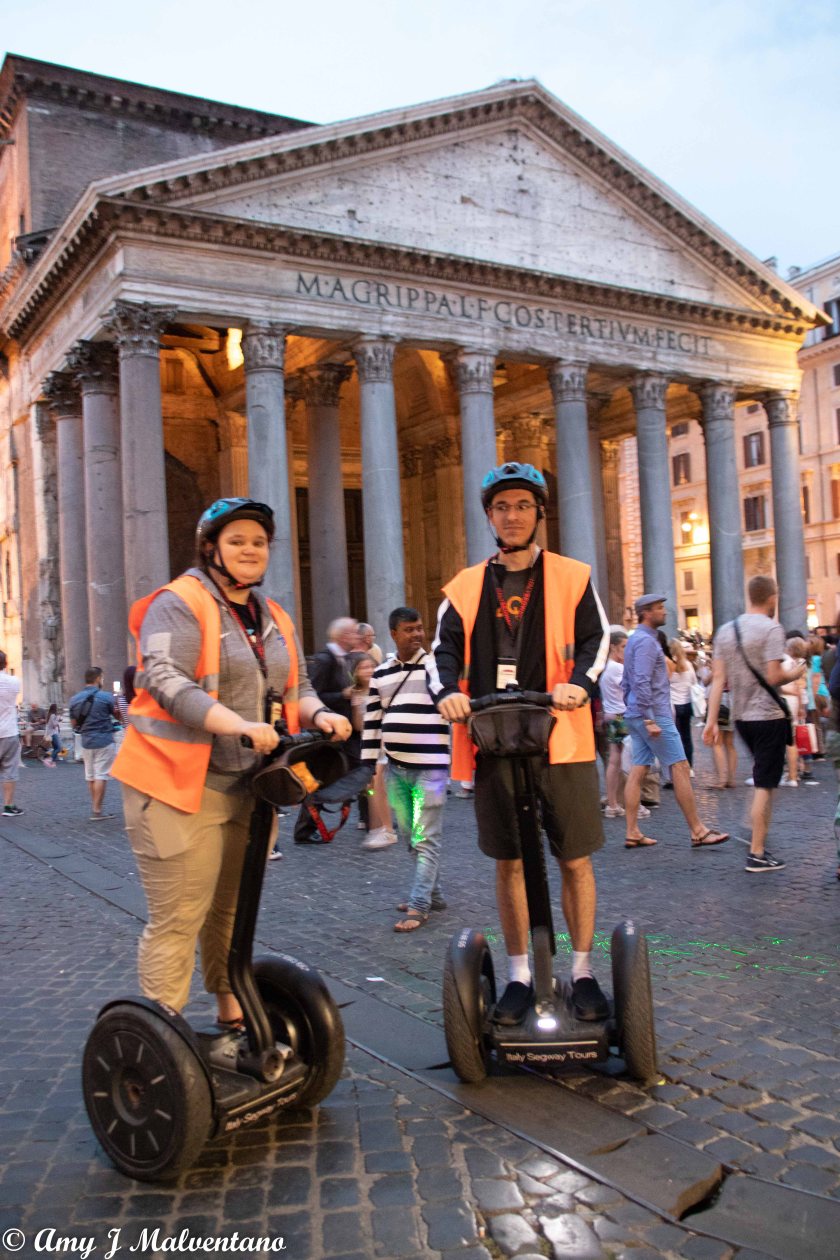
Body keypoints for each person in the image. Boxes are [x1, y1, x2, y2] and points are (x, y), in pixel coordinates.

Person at [112, 497, 350, 1026]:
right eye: (237, 540)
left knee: (231, 912)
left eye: (259, 542)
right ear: (211, 548)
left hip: (250, 786)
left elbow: (298, 685)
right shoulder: (178, 602)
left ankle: (230, 1015)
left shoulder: (273, 614)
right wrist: (237, 724)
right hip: (175, 785)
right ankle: (162, 1039)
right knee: (179, 917)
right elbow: (166, 679)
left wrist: (319, 716)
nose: (249, 550)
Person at [429, 461, 612, 1025]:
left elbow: (596, 642)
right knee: (508, 862)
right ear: (489, 517)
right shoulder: (462, 587)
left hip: (562, 738)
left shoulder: (573, 576)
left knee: (574, 858)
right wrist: (446, 697)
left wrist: (580, 686)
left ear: (539, 515)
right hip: (494, 737)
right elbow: (440, 656)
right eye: (502, 507)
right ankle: (519, 974)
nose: (512, 516)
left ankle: (581, 969)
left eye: (523, 506)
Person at [703, 575, 805, 873]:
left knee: (763, 778)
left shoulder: (726, 631)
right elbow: (774, 676)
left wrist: (710, 721)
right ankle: (757, 853)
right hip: (768, 716)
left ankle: (755, 825)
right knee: (764, 784)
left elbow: (718, 680)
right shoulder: (772, 629)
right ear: (772, 597)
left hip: (741, 717)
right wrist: (795, 674)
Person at [362, 607, 451, 930]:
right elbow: (372, 722)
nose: (417, 634)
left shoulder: (438, 667)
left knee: (425, 835)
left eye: (420, 628)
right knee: (411, 838)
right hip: (396, 767)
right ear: (394, 634)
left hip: (432, 768)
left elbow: (451, 699)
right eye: (409, 630)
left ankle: (419, 904)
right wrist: (367, 763)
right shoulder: (382, 673)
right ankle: (434, 893)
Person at [622, 595, 728, 851]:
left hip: (638, 714)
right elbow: (641, 681)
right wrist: (648, 719)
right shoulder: (646, 642)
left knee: (639, 769)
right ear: (646, 612)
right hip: (654, 715)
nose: (665, 612)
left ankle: (632, 831)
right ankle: (698, 831)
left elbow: (628, 683)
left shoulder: (634, 639)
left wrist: (636, 714)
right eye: (659, 608)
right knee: (679, 767)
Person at [294, 617, 359, 844]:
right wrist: (343, 695)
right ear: (342, 637)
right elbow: (313, 695)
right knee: (320, 778)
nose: (357, 636)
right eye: (353, 633)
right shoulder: (324, 660)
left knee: (353, 771)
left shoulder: (344, 660)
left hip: (340, 733)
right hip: (326, 733)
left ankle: (368, 816)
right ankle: (305, 828)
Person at [351, 653, 395, 850]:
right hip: (369, 744)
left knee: (379, 785)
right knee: (372, 786)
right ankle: (378, 825)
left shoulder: (384, 687)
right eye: (363, 667)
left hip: (385, 742)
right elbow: (358, 724)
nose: (368, 670)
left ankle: (386, 827)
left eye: (371, 666)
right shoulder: (356, 694)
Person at [69, 667, 120, 820]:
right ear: (98, 679)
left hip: (86, 741)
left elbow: (73, 723)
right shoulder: (106, 697)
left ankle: (95, 806)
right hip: (104, 739)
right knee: (101, 775)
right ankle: (97, 810)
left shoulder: (75, 699)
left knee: (91, 776)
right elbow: (116, 714)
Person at [600, 629, 629, 817]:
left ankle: (612, 803)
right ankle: (633, 802)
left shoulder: (605, 667)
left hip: (611, 715)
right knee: (633, 761)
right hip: (622, 716)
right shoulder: (618, 669)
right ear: (613, 647)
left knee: (614, 761)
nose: (627, 651)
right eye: (624, 647)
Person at [668, 638, 697, 772]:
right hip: (687, 704)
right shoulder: (688, 665)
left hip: (674, 705)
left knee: (675, 738)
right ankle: (689, 766)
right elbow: (694, 682)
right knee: (687, 736)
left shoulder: (669, 666)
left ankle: (678, 766)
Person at [0, 651, 23, 815]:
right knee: (9, 770)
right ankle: (8, 806)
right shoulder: (14, 681)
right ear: (6, 664)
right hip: (8, 731)